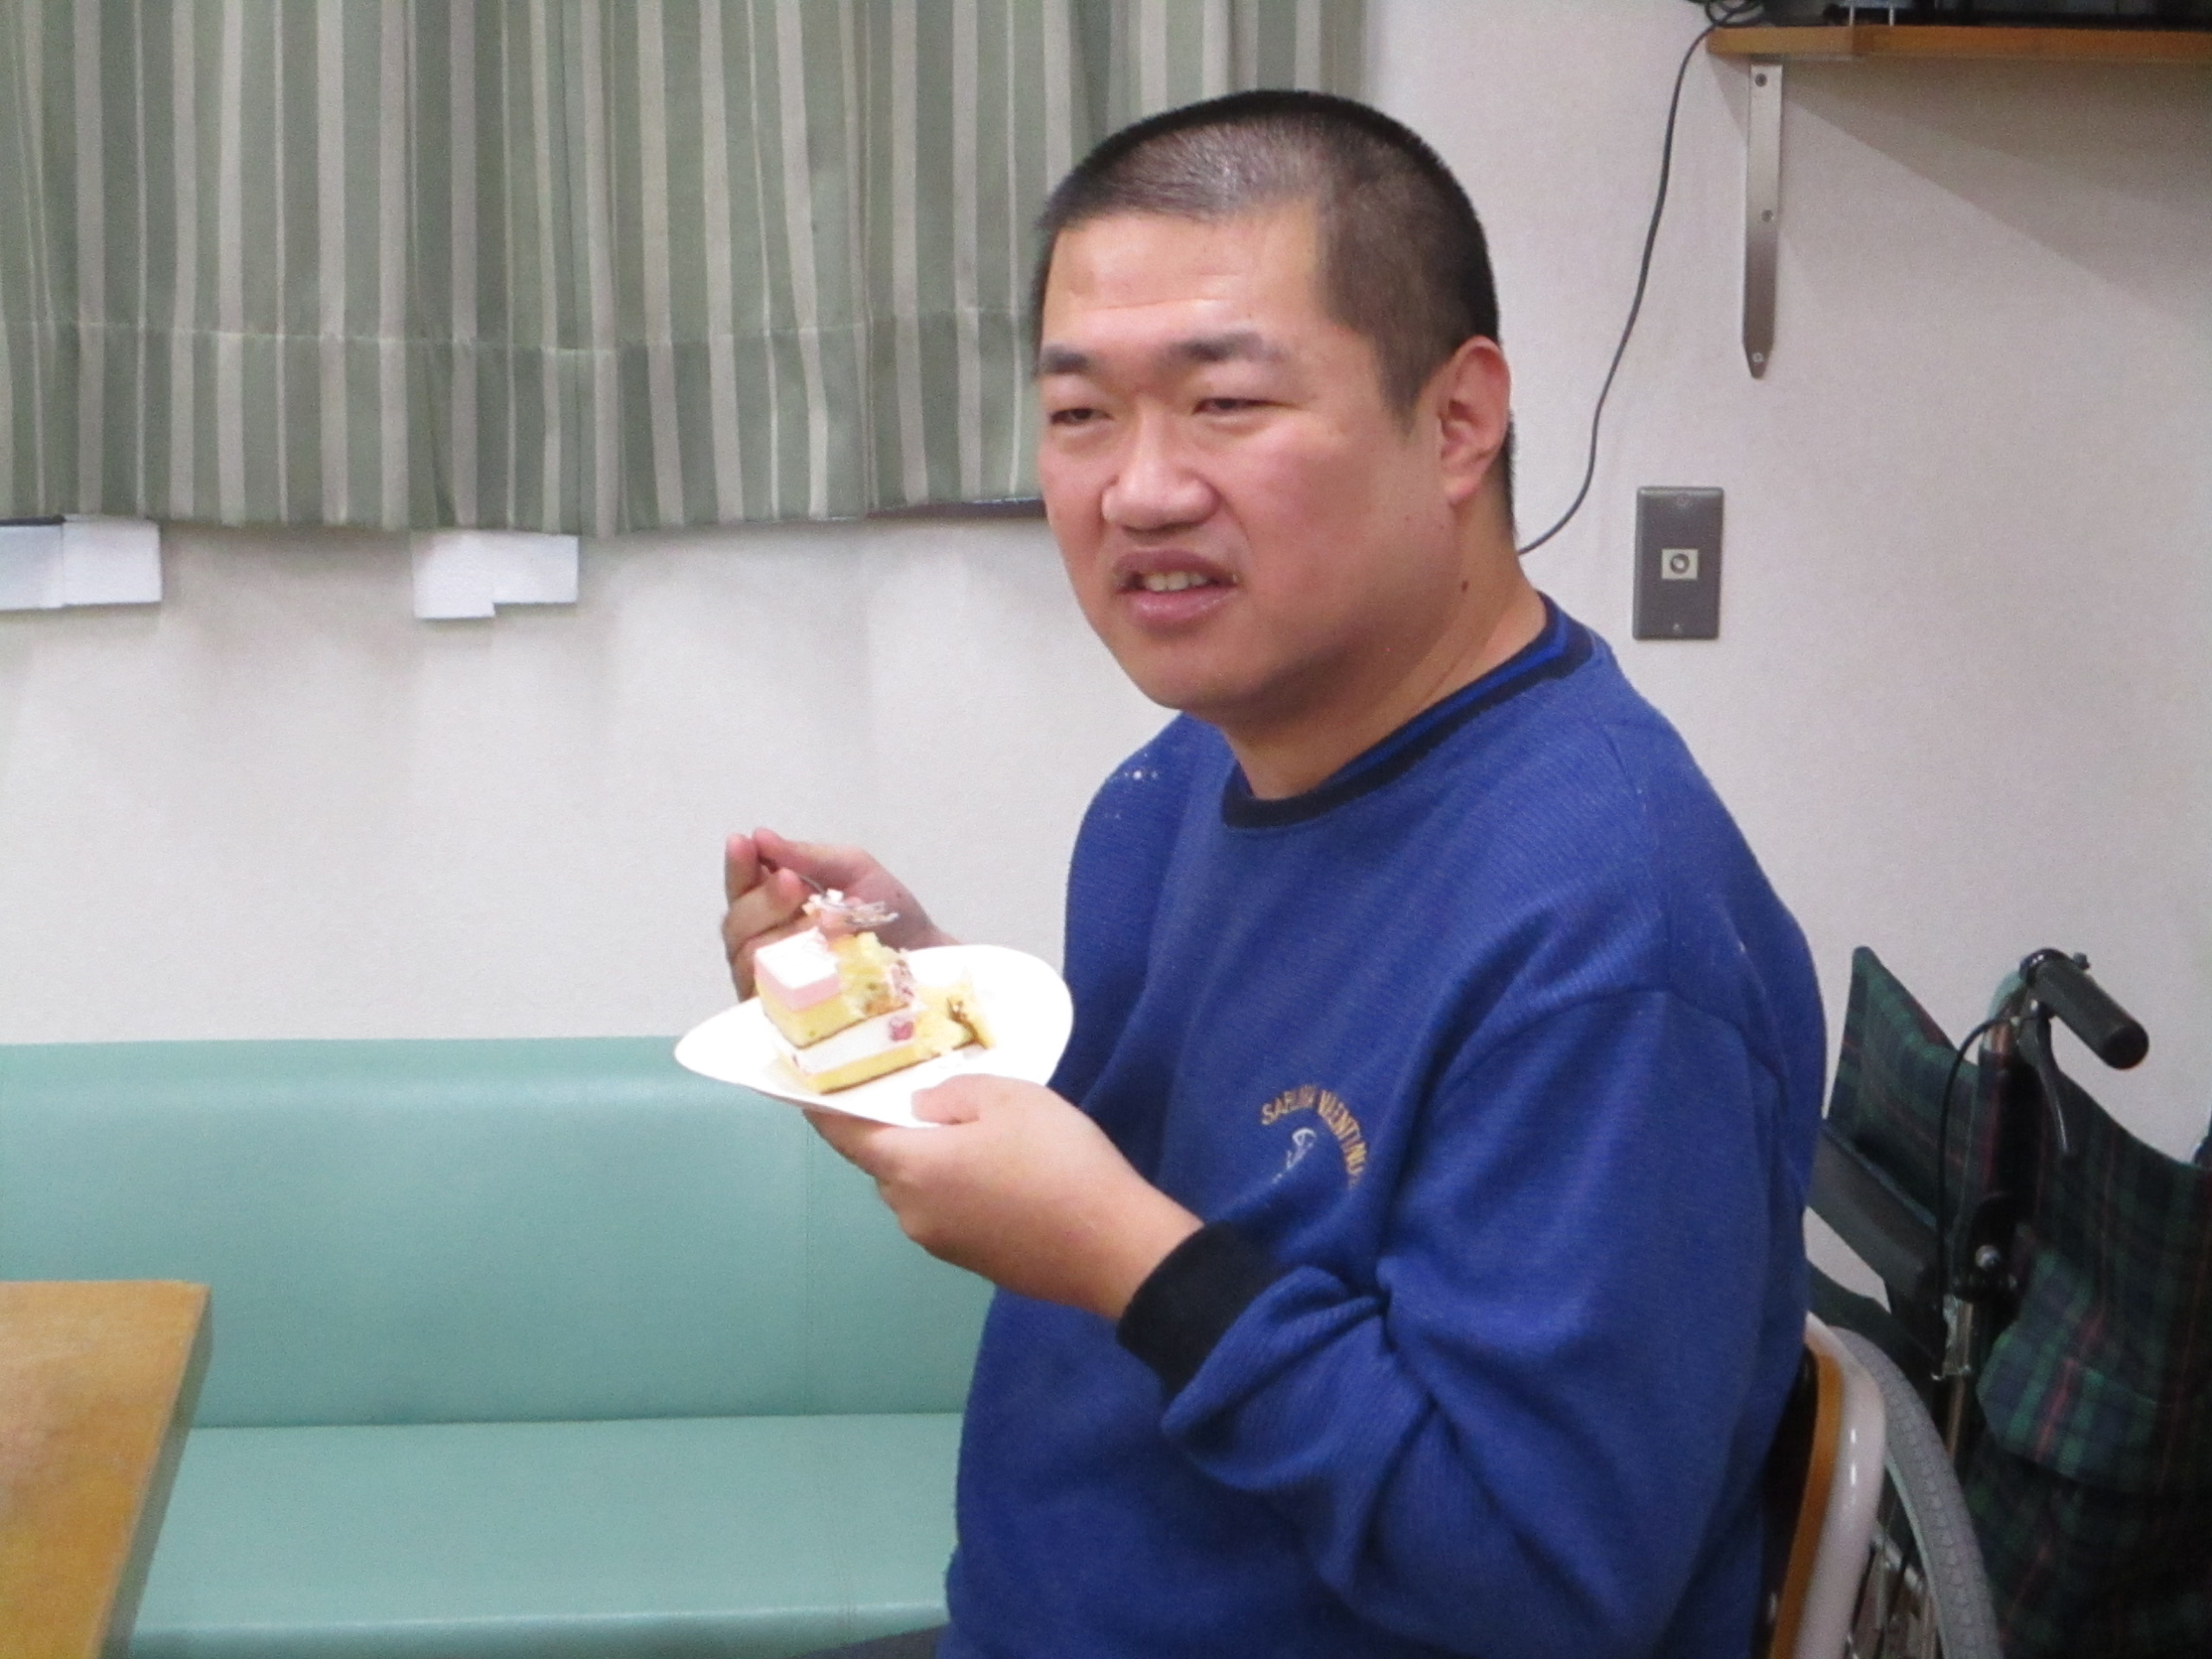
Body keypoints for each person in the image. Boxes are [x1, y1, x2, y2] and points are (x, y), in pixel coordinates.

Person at [722, 91, 1824, 1659]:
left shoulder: (1607, 929)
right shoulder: (1178, 784)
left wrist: (1122, 1257)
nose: (1140, 490)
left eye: (1224, 403)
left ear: (1459, 421)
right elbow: (1233, 1183)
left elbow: (1547, 1585)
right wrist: (919, 1017)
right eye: (1080, 414)